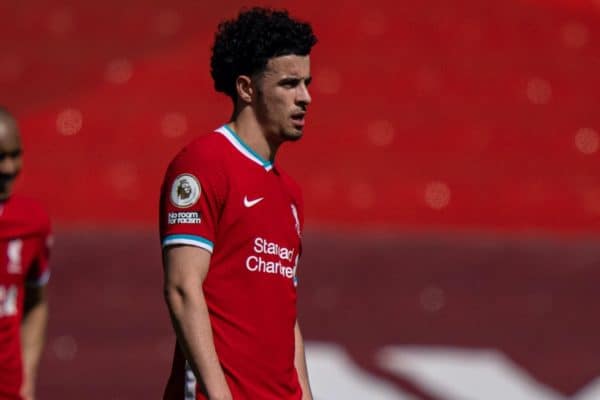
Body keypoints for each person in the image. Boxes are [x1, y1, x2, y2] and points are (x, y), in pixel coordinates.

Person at [159, 7, 317, 400]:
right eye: (289, 84)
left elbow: (285, 316)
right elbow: (182, 287)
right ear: (246, 89)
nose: (306, 98)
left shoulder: (289, 193)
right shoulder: (203, 164)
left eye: (307, 83)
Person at [0, 107, 51, 400]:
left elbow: (36, 302)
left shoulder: (32, 222)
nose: (8, 168)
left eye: (14, 155)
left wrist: (27, 378)